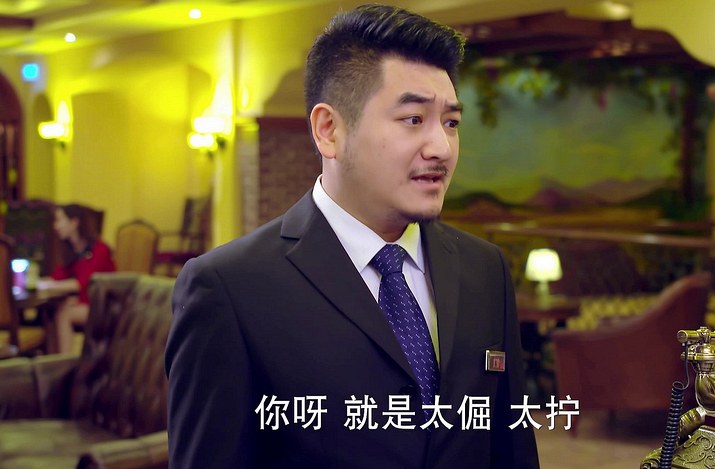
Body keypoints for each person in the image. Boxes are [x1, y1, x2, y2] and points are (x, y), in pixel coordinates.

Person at [165, 4, 539, 468]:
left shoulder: (484, 270)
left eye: (451, 123)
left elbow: (510, 448)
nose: (441, 148)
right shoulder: (230, 288)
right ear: (330, 130)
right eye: (413, 119)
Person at [47, 204, 116, 353]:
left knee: (64, 314)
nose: (56, 226)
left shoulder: (100, 249)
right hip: (86, 303)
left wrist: (47, 286)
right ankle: (52, 358)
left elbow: (83, 283)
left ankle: (64, 361)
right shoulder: (72, 250)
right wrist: (43, 282)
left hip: (105, 306)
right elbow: (58, 277)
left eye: (60, 220)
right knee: (55, 309)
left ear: (74, 222)